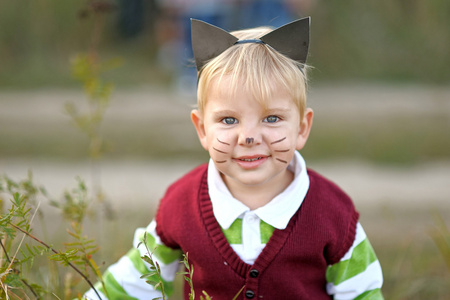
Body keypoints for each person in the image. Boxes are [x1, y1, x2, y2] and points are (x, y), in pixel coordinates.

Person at [84, 17, 383, 299]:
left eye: (272, 118)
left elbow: (363, 292)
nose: (248, 137)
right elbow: (132, 282)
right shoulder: (183, 204)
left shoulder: (331, 212)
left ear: (302, 128)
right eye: (229, 120)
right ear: (201, 128)